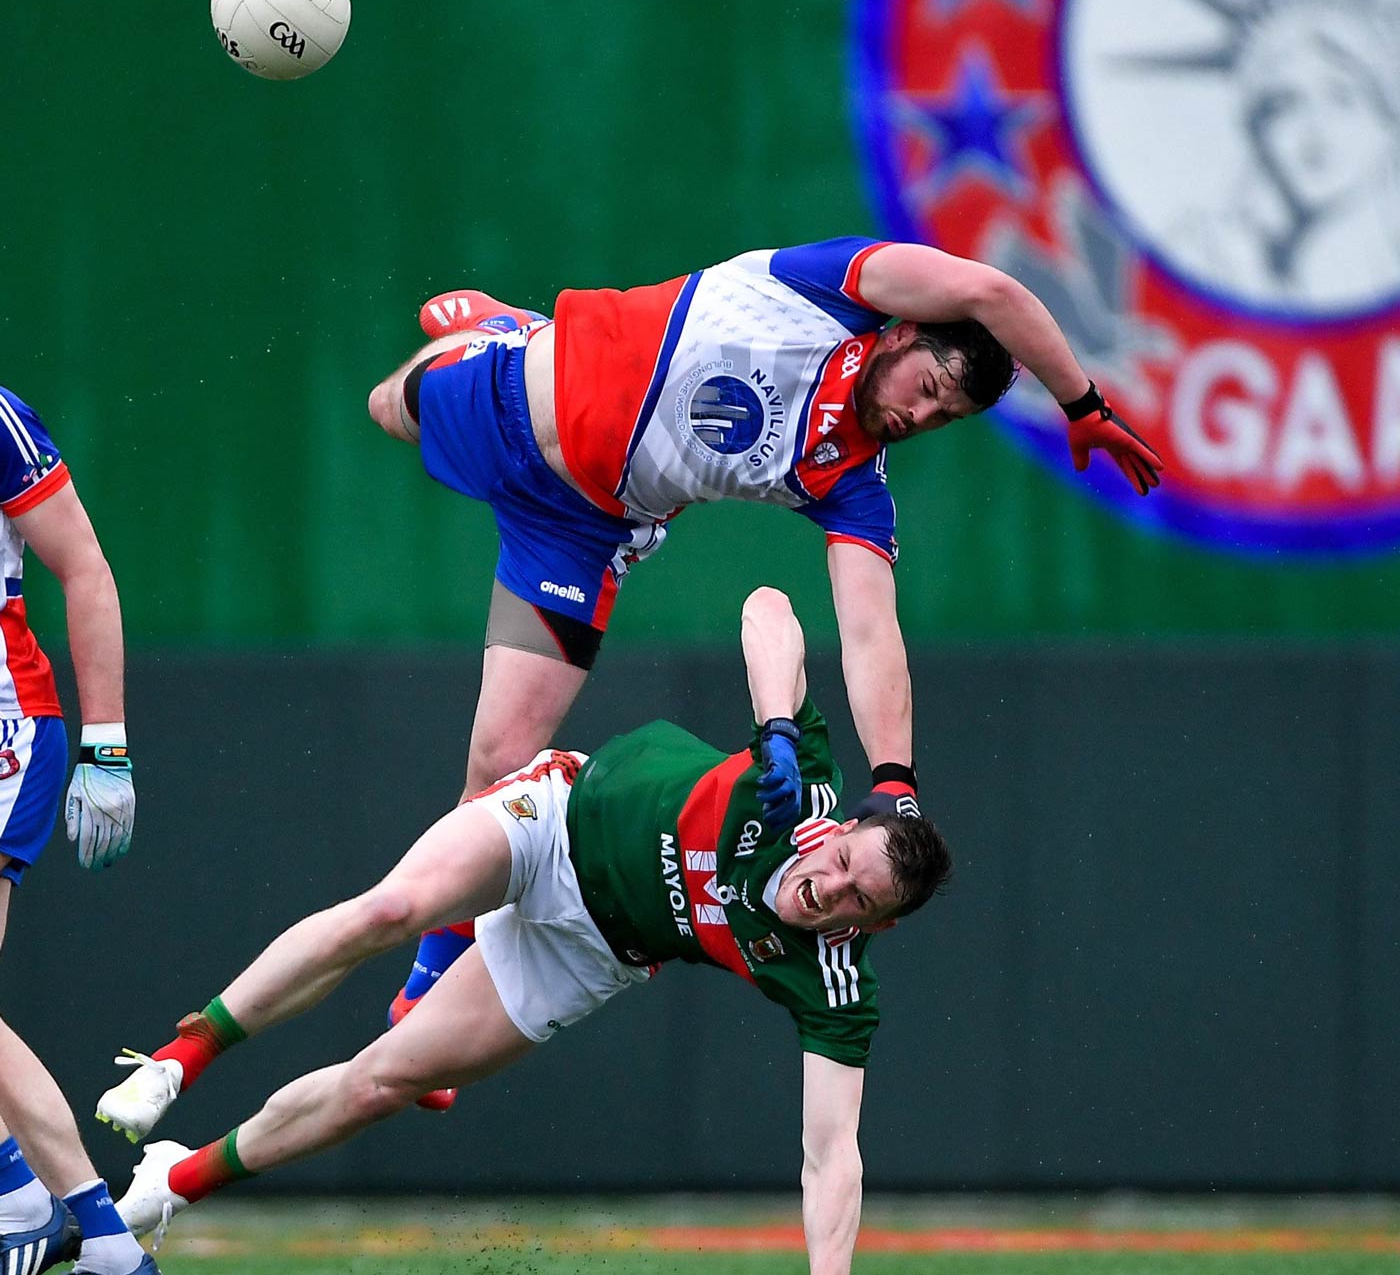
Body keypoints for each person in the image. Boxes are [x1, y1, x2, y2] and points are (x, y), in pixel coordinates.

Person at [359, 236, 1162, 1075]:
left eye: (945, 419)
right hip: (515, 402)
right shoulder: (825, 295)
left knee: (499, 761)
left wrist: (895, 781)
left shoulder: (852, 479)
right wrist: (1082, 404)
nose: (922, 416)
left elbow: (869, 633)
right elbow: (993, 291)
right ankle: (494, 332)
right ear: (897, 335)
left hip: (579, 529)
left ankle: (427, 980)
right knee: (389, 407)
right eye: (928, 388)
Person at [99, 588, 950, 1275]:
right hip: (556, 819)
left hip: (588, 951)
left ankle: (173, 1180)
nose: (826, 889)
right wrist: (774, 729)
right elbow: (768, 608)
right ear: (840, 831)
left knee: (379, 1085)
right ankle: (181, 1058)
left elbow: (831, 1154)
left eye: (855, 902)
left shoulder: (835, 983)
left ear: (881, 924)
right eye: (841, 863)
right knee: (390, 909)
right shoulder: (801, 787)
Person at [0, 386, 158, 1275]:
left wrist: (108, 746)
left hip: (6, 726)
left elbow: (85, 566)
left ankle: (83, 1229)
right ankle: (42, 1208)